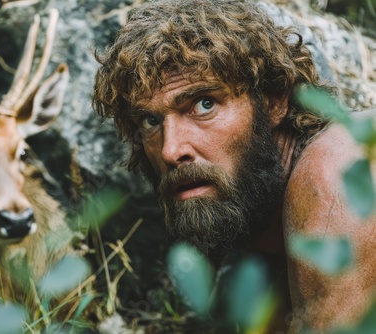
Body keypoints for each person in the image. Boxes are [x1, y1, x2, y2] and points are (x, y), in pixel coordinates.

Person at [92, 0, 376, 332]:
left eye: (204, 104)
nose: (171, 150)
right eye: (150, 120)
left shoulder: (338, 168)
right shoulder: (256, 268)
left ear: (272, 101)